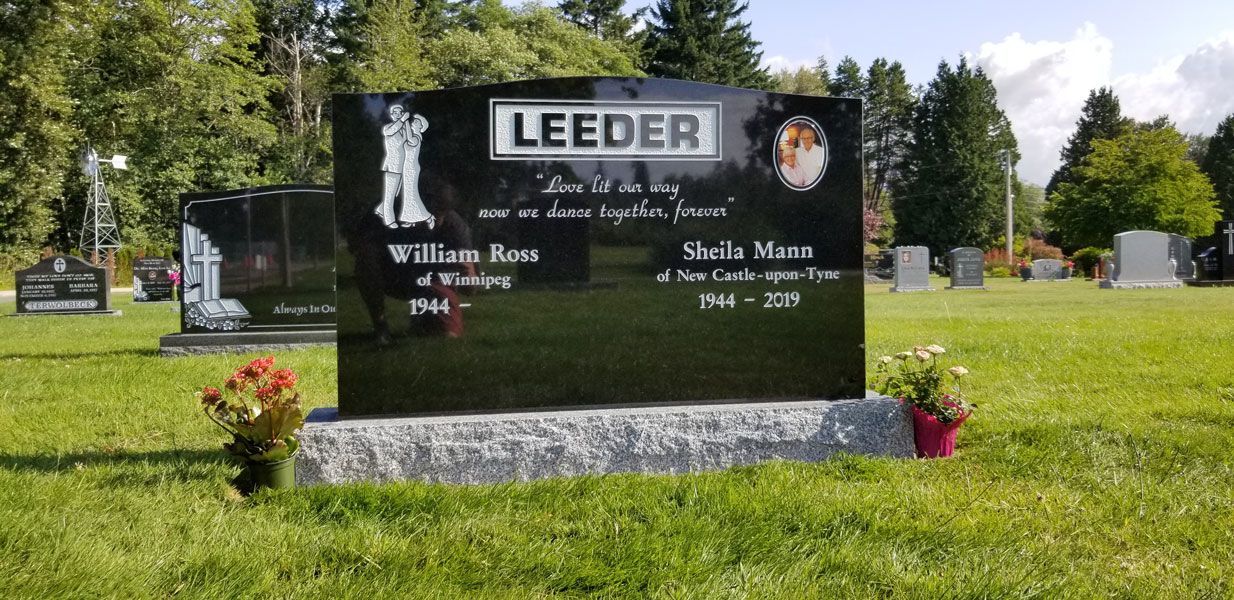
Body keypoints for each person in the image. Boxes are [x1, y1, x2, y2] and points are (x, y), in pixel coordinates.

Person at [376, 105, 411, 228]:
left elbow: (409, 139)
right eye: (394, 112)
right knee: (390, 193)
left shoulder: (401, 128)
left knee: (396, 192)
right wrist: (402, 121)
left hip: (401, 165)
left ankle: (381, 210)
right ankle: (389, 220)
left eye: (399, 112)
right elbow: (392, 131)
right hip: (392, 165)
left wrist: (406, 122)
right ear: (391, 115)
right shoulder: (388, 128)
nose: (397, 114)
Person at [398, 114, 434, 229]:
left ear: (420, 127)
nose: (414, 122)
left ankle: (428, 217)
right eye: (414, 121)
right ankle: (410, 219)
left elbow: (410, 139)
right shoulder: (413, 135)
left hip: (411, 168)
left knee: (412, 194)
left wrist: (406, 122)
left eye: (416, 122)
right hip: (407, 167)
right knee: (408, 195)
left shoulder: (417, 137)